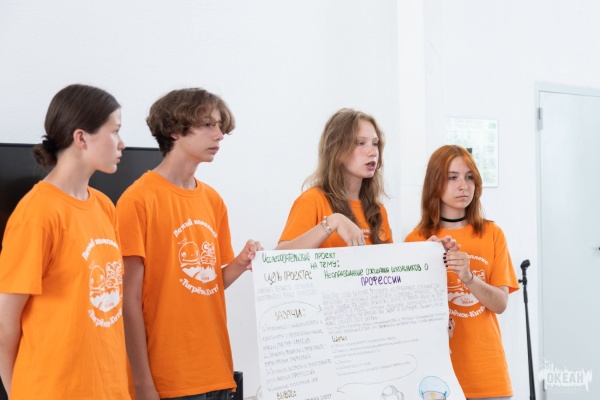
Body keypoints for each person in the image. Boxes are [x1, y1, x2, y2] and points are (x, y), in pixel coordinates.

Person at [116, 88, 262, 400]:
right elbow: (128, 301)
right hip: (169, 379)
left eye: (220, 126)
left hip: (217, 371)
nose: (219, 135)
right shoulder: (138, 200)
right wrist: (142, 384)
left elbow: (206, 285)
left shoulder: (212, 200)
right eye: (208, 125)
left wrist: (239, 263)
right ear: (174, 130)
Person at [0, 84, 130, 399]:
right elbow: (5, 327)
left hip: (109, 389)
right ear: (81, 137)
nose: (122, 143)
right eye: (115, 131)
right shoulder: (37, 213)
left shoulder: (104, 206)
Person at [405, 145, 519, 399]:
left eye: (469, 177)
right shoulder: (416, 240)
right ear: (435, 183)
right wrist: (426, 261)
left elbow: (500, 304)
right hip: (436, 376)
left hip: (488, 374)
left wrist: (468, 277)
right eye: (452, 177)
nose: (463, 186)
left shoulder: (492, 234)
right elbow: (409, 316)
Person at [276, 108, 393, 250]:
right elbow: (280, 256)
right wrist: (332, 222)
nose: (373, 152)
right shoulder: (312, 201)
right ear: (337, 149)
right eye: (361, 143)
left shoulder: (378, 210)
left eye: (375, 143)